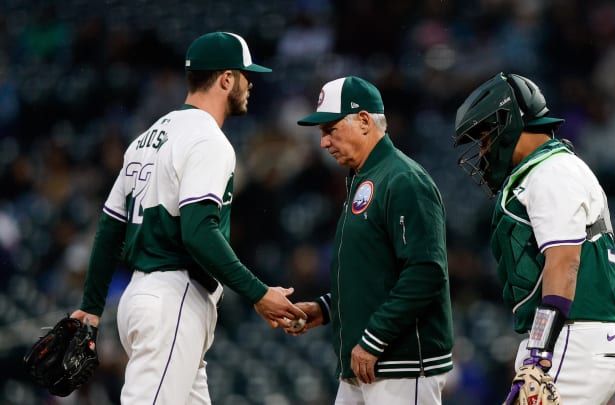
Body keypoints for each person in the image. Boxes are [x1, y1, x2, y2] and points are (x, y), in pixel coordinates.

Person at [68, 32, 306, 404]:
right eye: (245, 74)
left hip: (142, 297)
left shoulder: (146, 138)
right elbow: (198, 232)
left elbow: (111, 228)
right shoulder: (207, 139)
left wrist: (92, 306)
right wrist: (259, 294)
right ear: (226, 79)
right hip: (173, 299)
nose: (250, 82)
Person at [452, 72, 615, 404]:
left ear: (507, 124)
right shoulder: (546, 170)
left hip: (575, 338)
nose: (483, 150)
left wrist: (539, 353)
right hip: (575, 337)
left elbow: (564, 263)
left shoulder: (552, 172)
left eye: (486, 137)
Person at [289, 76, 454, 404]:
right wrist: (325, 308)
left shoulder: (403, 178)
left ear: (364, 121)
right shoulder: (365, 179)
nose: (323, 142)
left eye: (330, 129)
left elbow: (425, 271)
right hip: (365, 365)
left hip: (402, 365)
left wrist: (374, 338)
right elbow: (372, 274)